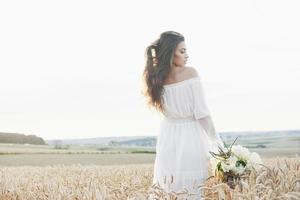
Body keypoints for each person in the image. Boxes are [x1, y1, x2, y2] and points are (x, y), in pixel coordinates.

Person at [142, 31, 225, 199]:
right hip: (190, 134)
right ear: (170, 53)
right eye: (182, 51)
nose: (187, 55)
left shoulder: (156, 79)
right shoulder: (191, 73)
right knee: (192, 185)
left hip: (167, 134)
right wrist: (216, 140)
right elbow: (202, 113)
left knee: (168, 184)